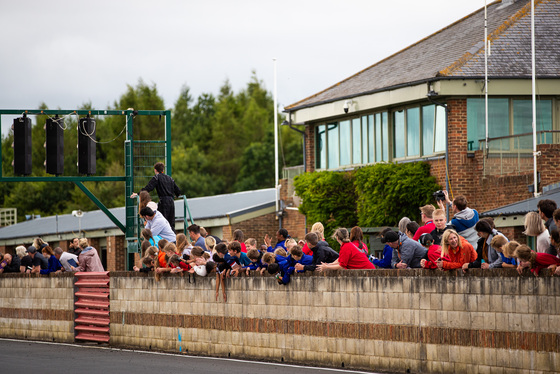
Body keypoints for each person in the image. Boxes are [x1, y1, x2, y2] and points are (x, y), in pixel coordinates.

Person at [130, 162, 182, 230]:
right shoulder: (170, 178)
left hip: (163, 202)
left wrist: (138, 193)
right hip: (171, 202)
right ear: (163, 170)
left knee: (162, 222)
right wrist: (177, 195)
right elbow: (178, 191)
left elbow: (148, 188)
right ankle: (173, 239)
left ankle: (162, 239)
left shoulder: (156, 178)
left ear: (155, 170)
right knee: (171, 223)